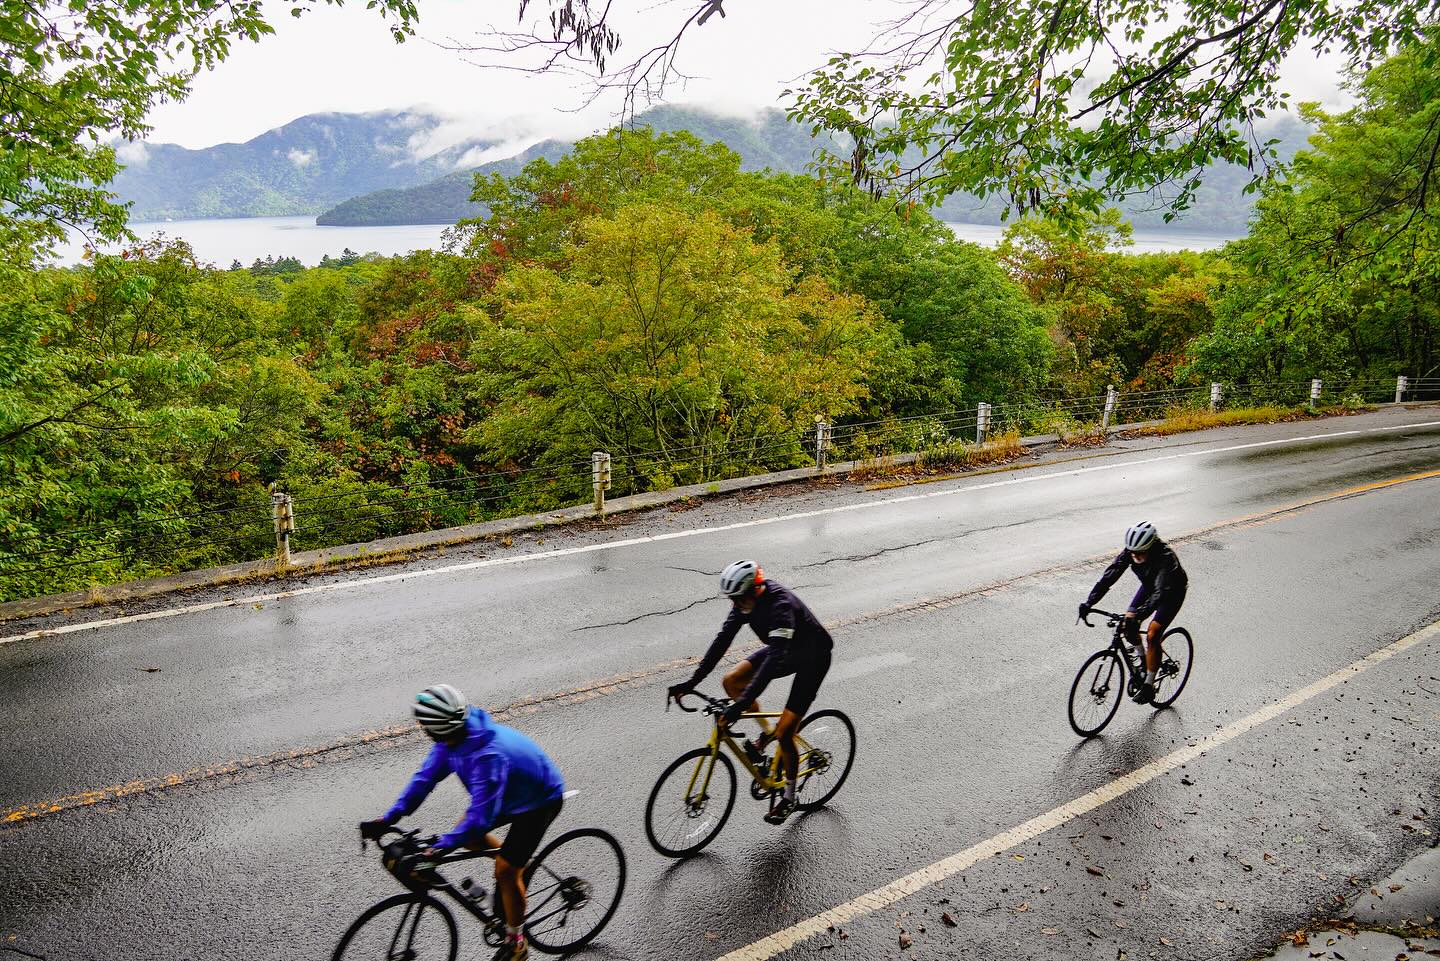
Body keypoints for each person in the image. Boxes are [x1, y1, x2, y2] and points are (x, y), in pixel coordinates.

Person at [361, 684, 565, 961]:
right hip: (509, 793)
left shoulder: (487, 756)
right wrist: (389, 818)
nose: (422, 729)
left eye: (424, 725)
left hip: (539, 800)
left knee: (505, 871)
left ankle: (517, 942)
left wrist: (441, 847)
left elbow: (481, 818)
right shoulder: (451, 740)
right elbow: (424, 780)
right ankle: (518, 865)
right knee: (469, 838)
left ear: (439, 728)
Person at [667, 559, 834, 825]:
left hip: (812, 658)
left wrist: (739, 706)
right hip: (784, 649)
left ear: (755, 589)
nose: (735, 604)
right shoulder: (743, 605)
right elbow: (722, 641)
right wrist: (691, 682)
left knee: (786, 733)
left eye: (738, 598)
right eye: (731, 599)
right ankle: (766, 733)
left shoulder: (781, 606)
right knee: (731, 681)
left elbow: (770, 666)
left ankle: (789, 797)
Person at [1079, 521, 1188, 704]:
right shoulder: (1131, 552)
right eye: (1132, 552)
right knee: (1127, 626)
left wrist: (1138, 616)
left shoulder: (1166, 558)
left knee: (1153, 634)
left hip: (1171, 592)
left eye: (1140, 552)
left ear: (1151, 547)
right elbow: (1110, 576)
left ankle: (1149, 685)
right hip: (1150, 586)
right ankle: (1143, 660)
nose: (1135, 556)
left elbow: (1159, 594)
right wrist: (1089, 602)